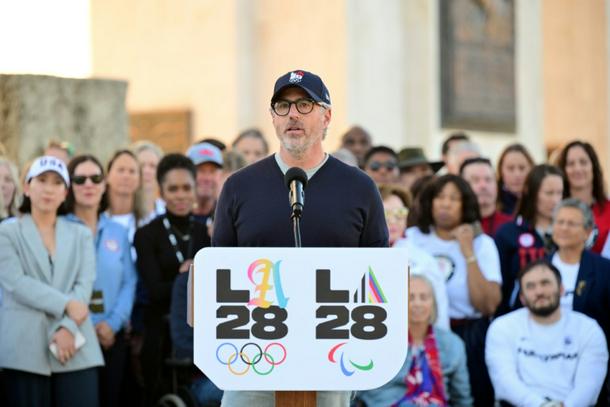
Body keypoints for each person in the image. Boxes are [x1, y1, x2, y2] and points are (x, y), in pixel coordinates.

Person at [213, 69, 388, 407]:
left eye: (305, 104)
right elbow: (219, 273)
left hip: (331, 355)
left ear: (327, 117)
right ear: (273, 118)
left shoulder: (359, 188)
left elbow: (377, 275)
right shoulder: (239, 187)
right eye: (283, 106)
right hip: (253, 354)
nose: (292, 114)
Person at [0, 156, 104, 407]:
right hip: (23, 350)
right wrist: (67, 305)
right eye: (42, 180)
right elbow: (16, 282)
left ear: (65, 193)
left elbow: (85, 284)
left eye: (57, 182)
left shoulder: (81, 234)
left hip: (76, 345)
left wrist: (68, 326)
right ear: (27, 187)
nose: (49, 188)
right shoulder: (7, 232)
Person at [407, 174, 501, 407]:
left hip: (469, 334)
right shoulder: (413, 238)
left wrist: (468, 252)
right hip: (420, 332)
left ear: (465, 204)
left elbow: (488, 305)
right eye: (440, 197)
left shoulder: (482, 244)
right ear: (430, 201)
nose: (446, 204)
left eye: (454, 198)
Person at [134, 153, 211, 405]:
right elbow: (154, 290)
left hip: (203, 335)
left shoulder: (208, 231)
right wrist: (187, 278)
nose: (180, 195)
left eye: (186, 188)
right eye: (173, 189)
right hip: (160, 338)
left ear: (195, 189)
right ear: (161, 192)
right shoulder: (146, 235)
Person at [64, 154, 137, 407]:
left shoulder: (118, 231)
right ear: (69, 186)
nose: (88, 184)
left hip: (111, 337)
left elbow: (129, 282)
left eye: (95, 178)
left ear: (104, 184)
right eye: (80, 179)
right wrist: (84, 325)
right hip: (72, 335)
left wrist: (112, 324)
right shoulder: (58, 229)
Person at [485, 260, 608, 407]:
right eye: (530, 286)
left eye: (545, 283)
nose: (539, 292)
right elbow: (505, 382)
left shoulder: (588, 329)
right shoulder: (502, 327)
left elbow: (589, 385)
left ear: (561, 289)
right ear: (522, 298)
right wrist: (541, 405)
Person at [357, 275, 472, 407]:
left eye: (424, 297)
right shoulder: (379, 342)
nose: (417, 303)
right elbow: (360, 391)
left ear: (433, 303)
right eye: (410, 297)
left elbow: (462, 398)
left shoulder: (452, 344)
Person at [550, 198, 610, 406]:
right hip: (544, 360)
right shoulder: (539, 267)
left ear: (587, 231)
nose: (564, 228)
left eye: (572, 223)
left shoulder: (604, 270)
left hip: (590, 363)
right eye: (559, 222)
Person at [494, 164, 565, 315]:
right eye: (549, 193)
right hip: (519, 317)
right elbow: (501, 287)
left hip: (564, 315)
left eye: (559, 193)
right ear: (531, 193)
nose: (555, 200)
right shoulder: (508, 233)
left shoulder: (570, 231)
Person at [379, 184, 449, 329]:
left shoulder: (423, 260)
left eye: (400, 213)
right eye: (385, 214)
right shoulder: (355, 254)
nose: (393, 221)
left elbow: (440, 315)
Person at [556, 140, 610, 255]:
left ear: (593, 167)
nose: (577, 169)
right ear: (563, 170)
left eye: (583, 162)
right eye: (571, 164)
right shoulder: (555, 209)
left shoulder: (608, 209)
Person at [460, 157, 512, 237]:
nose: (483, 186)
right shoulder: (450, 227)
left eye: (488, 179)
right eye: (475, 180)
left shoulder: (512, 226)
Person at [105, 149, 142, 243]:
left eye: (132, 171)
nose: (126, 176)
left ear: (139, 180)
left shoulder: (146, 222)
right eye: (120, 170)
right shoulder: (96, 221)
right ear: (107, 176)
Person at [186, 141, 224, 226]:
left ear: (220, 175)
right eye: (201, 170)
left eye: (212, 171)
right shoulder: (172, 219)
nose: (207, 178)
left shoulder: (230, 218)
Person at [130, 140, 166, 226]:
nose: (146, 171)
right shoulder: (122, 213)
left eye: (152, 166)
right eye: (141, 165)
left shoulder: (167, 211)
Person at [496, 143, 535, 216]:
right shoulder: (492, 203)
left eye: (522, 168)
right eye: (510, 168)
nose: (517, 175)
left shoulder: (539, 201)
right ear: (501, 171)